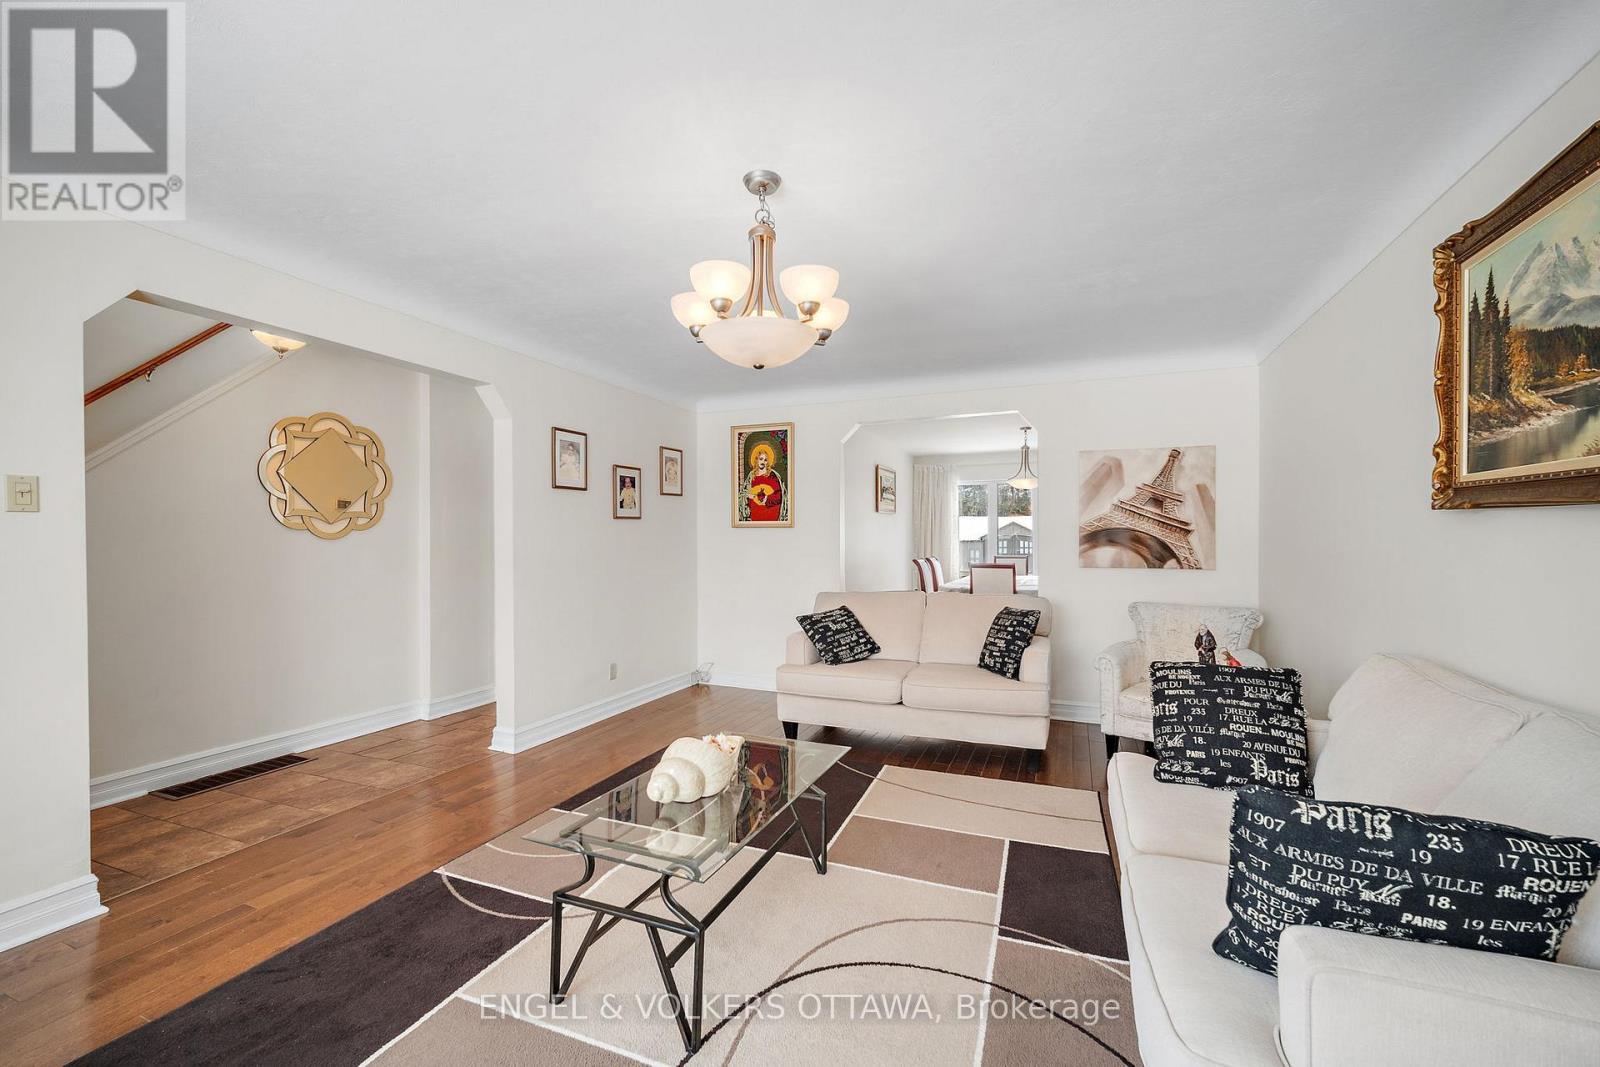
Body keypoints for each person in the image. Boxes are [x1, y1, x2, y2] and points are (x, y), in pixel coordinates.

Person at [743, 442, 784, 522]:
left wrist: (765, 499)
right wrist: (747, 496)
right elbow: (745, 493)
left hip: (770, 512)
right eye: (761, 459)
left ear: (768, 462)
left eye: (765, 460)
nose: (763, 462)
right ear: (756, 459)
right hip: (755, 513)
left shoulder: (772, 475)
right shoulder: (751, 476)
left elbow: (779, 496)